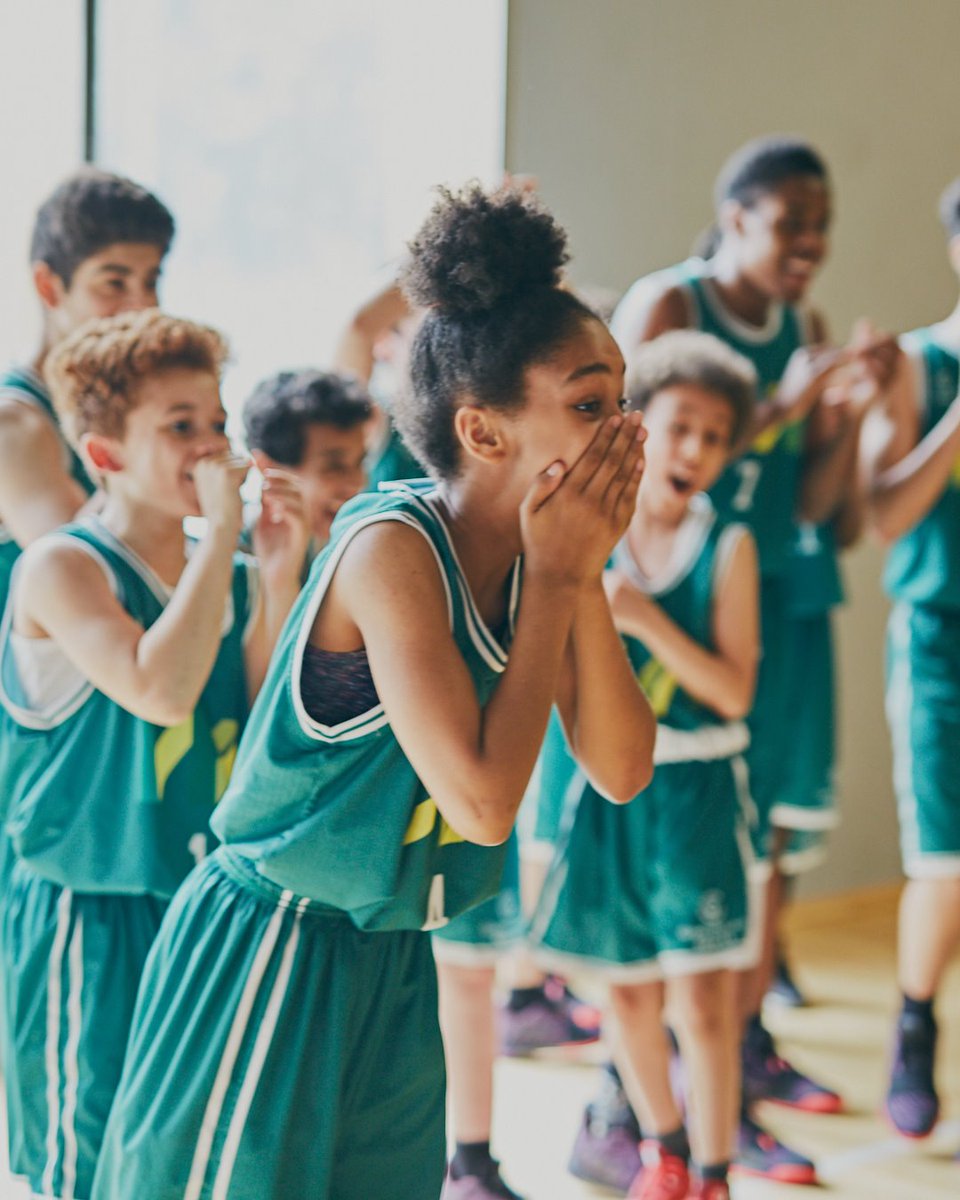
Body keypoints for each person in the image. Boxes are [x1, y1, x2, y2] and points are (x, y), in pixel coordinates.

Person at [90, 183, 656, 1200]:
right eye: (588, 403)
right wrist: (565, 580)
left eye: (622, 398)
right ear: (483, 434)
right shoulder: (391, 546)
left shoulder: (548, 562)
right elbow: (483, 805)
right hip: (274, 939)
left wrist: (582, 576)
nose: (622, 430)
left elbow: (619, 770)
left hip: (392, 956)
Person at [607, 135, 895, 1184]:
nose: (812, 242)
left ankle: (738, 1065)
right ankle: (644, 1107)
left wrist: (840, 429)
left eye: (823, 223)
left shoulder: (806, 327)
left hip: (761, 592)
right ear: (735, 217)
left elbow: (813, 509)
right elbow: (645, 454)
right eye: (791, 221)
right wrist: (783, 412)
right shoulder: (669, 307)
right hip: (667, 589)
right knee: (647, 855)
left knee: (759, 831)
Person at [0, 308, 309, 1199]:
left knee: (174, 1160)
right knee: (84, 1165)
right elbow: (160, 689)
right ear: (103, 455)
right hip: (85, 913)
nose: (211, 448)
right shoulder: (61, 568)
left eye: (216, 422)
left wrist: (279, 580)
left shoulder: (233, 570)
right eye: (179, 427)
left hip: (196, 905)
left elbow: (262, 735)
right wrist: (221, 538)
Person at [532, 331, 759, 1200]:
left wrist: (647, 619)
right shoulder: (587, 536)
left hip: (696, 791)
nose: (696, 449)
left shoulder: (726, 548)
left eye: (715, 435)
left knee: (704, 1004)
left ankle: (713, 1170)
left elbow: (734, 691)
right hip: (603, 798)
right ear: (636, 430)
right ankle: (662, 1151)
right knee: (626, 995)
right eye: (681, 428)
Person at [860, 176, 960, 1145]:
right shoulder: (921, 366)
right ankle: (914, 1024)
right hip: (940, 638)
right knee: (946, 860)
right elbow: (883, 513)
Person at [0, 167, 176, 608]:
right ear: (49, 286)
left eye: (151, 281)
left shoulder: (114, 403)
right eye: (114, 283)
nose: (143, 306)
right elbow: (94, 570)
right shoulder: (15, 424)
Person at [242, 367, 372, 560]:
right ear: (269, 468)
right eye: (334, 467)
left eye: (360, 461)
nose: (357, 482)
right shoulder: (235, 560)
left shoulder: (362, 545)